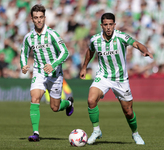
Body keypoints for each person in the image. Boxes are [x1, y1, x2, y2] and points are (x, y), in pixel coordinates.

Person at [80, 12, 153, 145]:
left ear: (114, 25)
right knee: (91, 100)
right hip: (103, 76)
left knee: (128, 112)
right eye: (105, 25)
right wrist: (84, 67)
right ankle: (96, 131)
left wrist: (144, 50)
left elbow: (136, 44)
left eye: (110, 24)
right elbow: (90, 51)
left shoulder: (121, 37)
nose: (108, 27)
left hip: (120, 79)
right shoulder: (95, 39)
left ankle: (135, 133)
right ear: (101, 25)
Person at [20, 4, 74, 142]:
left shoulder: (52, 34)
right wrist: (24, 65)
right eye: (36, 17)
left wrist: (53, 64)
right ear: (32, 19)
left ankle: (68, 103)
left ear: (45, 17)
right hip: (39, 72)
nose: (38, 20)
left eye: (41, 17)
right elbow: (24, 52)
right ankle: (36, 133)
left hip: (55, 74)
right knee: (34, 98)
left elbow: (65, 52)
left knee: (55, 108)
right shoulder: (28, 37)